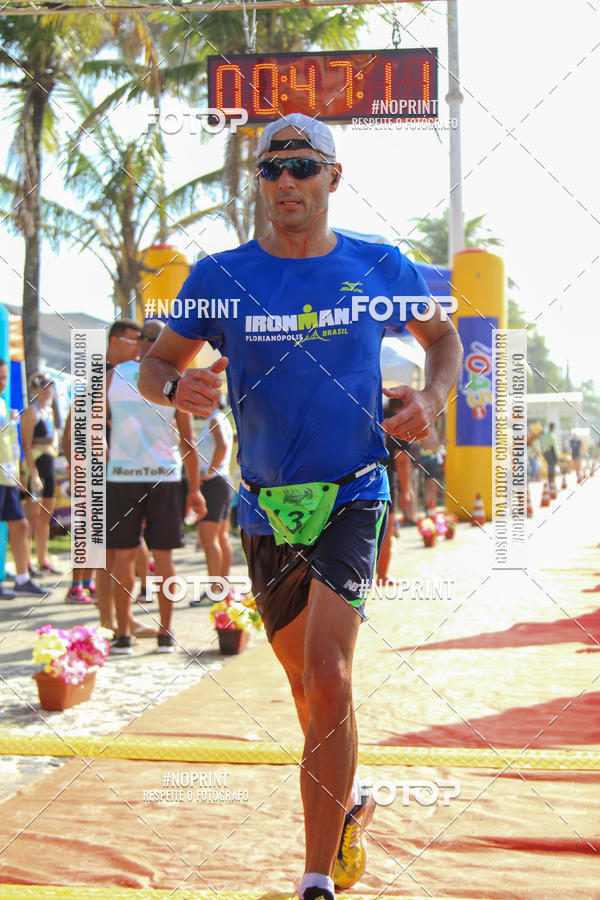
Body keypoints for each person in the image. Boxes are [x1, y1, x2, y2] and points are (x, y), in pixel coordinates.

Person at [138, 113, 463, 899]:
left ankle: (315, 879)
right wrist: (177, 387)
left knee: (329, 672)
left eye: (303, 165)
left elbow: (445, 342)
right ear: (260, 182)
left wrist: (432, 398)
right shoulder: (219, 276)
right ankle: (347, 798)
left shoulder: (378, 264)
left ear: (333, 177)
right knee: (305, 688)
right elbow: (155, 365)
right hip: (265, 507)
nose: (286, 179)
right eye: (272, 168)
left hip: (354, 489)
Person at [107, 319, 206, 654]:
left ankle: (123, 634)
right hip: (163, 475)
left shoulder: (113, 376)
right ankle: (165, 633)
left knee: (124, 558)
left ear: (139, 343)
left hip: (122, 475)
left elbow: (92, 427)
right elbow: (189, 442)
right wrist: (195, 489)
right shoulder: (175, 380)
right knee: (164, 557)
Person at [0, 359, 46, 599]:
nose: (2, 382)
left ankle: (22, 579)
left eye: (4, 378)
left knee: (21, 526)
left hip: (7, 478)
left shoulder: (2, 403)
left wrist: (17, 474)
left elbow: (10, 444)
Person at [190, 396, 235, 607]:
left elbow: (223, 446)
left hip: (214, 484)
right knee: (221, 538)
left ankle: (215, 590)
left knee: (209, 541)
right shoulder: (220, 418)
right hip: (223, 482)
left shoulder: (214, 419)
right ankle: (222, 589)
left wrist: (209, 472)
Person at [20, 371, 61, 575]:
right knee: (32, 516)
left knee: (47, 513)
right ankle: (27, 561)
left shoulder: (49, 412)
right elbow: (26, 446)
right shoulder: (31, 412)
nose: (48, 390)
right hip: (35, 466)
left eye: (50, 385)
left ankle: (43, 560)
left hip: (49, 465)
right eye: (44, 386)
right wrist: (33, 474)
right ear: (34, 388)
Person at [541, 422, 559, 486]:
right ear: (553, 428)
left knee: (550, 467)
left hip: (546, 453)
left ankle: (550, 482)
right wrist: (556, 457)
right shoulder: (551, 435)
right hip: (551, 453)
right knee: (552, 468)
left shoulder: (545, 435)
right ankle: (551, 483)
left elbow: (542, 445)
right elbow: (553, 447)